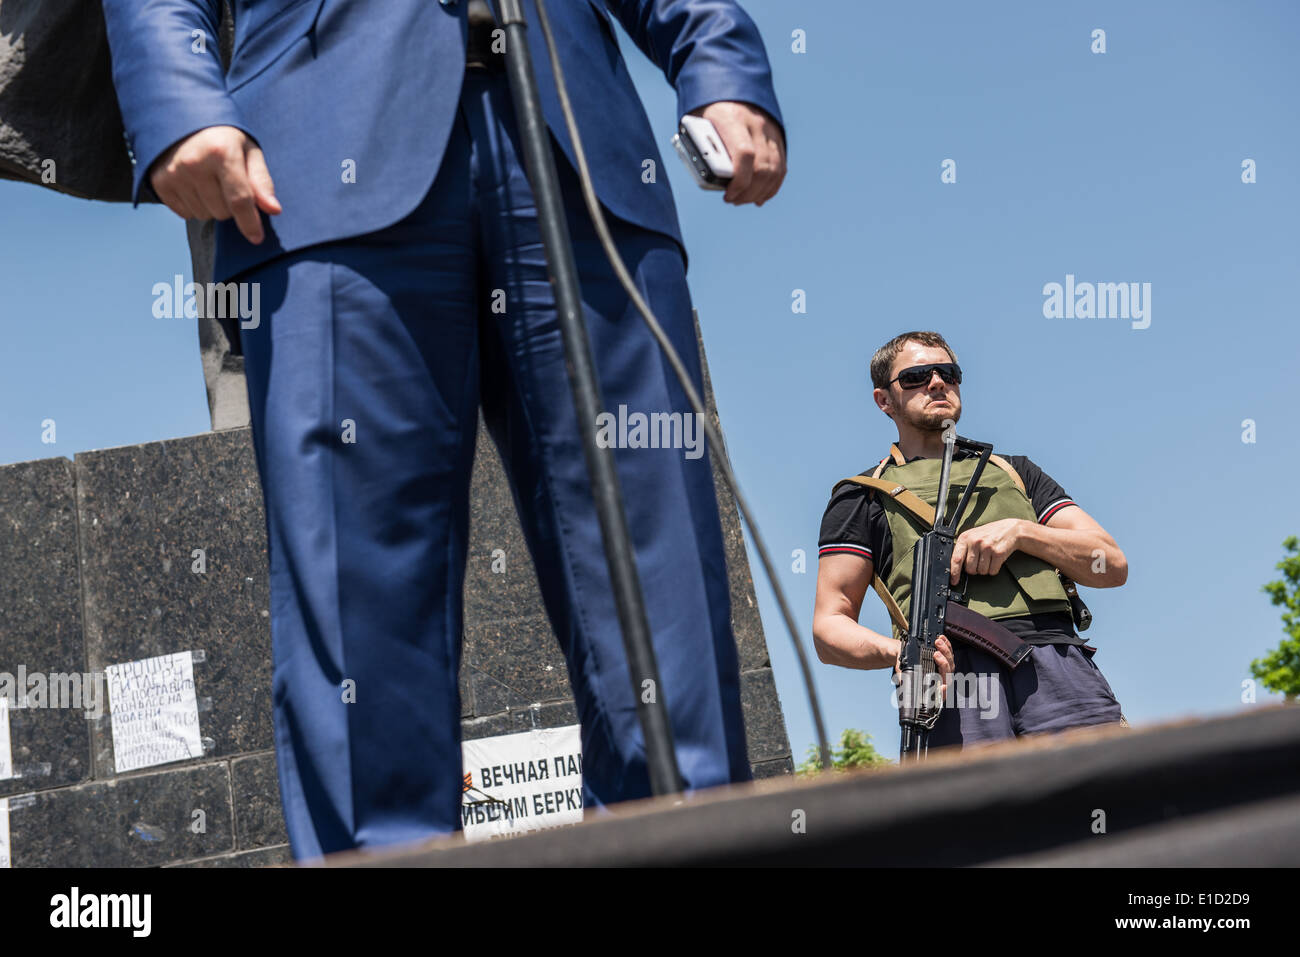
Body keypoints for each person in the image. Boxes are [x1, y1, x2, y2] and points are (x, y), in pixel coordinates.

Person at [100, 0, 786, 859]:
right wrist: (178, 96)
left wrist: (718, 60)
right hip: (321, 165)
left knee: (662, 586)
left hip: (579, 148)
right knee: (361, 604)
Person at [812, 331, 1127, 751]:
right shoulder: (861, 496)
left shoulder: (1016, 472)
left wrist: (1022, 532)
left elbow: (1110, 564)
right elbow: (829, 627)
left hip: (1055, 663)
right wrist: (900, 653)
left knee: (1110, 799)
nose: (937, 382)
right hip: (949, 680)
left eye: (949, 373)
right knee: (977, 814)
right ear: (883, 401)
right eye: (916, 376)